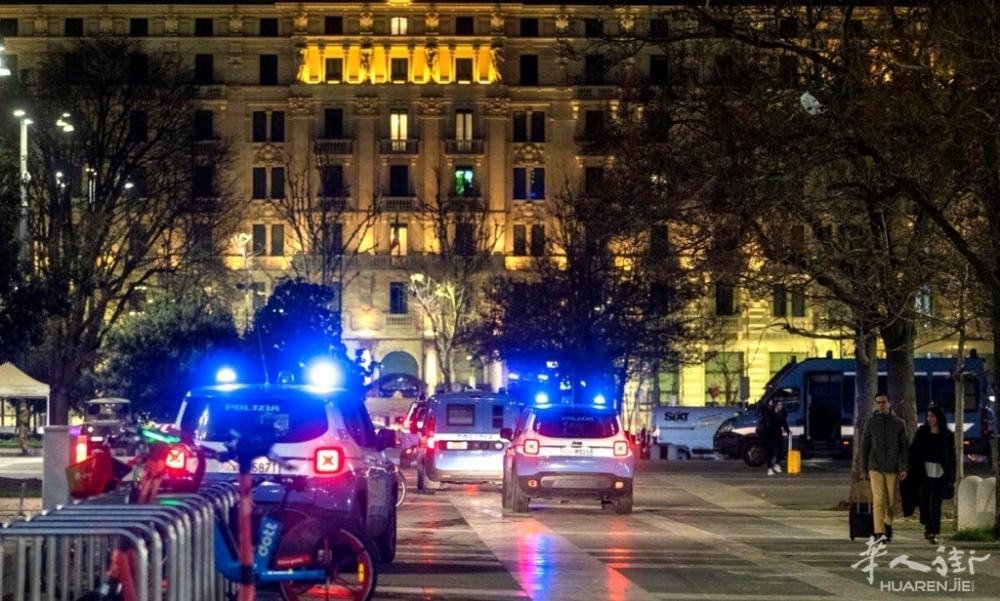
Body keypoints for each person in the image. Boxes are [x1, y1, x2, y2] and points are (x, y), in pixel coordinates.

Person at [860, 393, 909, 543]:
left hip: (893, 468)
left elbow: (904, 447)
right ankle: (878, 531)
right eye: (878, 403)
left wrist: (904, 467)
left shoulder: (899, 423)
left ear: (890, 403)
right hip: (875, 467)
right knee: (878, 500)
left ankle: (888, 524)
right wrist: (864, 469)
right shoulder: (871, 423)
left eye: (884, 402)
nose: (881, 405)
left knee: (890, 501)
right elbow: (865, 447)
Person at [908, 406, 955, 544]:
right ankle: (924, 518)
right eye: (928, 416)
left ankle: (932, 531)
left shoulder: (947, 435)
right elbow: (914, 450)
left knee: (936, 504)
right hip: (924, 472)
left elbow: (952, 457)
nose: (929, 419)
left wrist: (951, 476)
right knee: (923, 499)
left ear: (938, 418)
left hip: (940, 473)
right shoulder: (922, 432)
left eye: (932, 416)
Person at [765, 400, 790, 476]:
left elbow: (784, 423)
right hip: (770, 434)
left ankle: (776, 464)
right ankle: (769, 468)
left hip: (778, 434)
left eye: (781, 405)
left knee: (781, 449)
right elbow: (769, 423)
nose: (781, 406)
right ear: (775, 406)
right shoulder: (770, 414)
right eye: (779, 405)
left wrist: (788, 431)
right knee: (770, 451)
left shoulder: (781, 414)